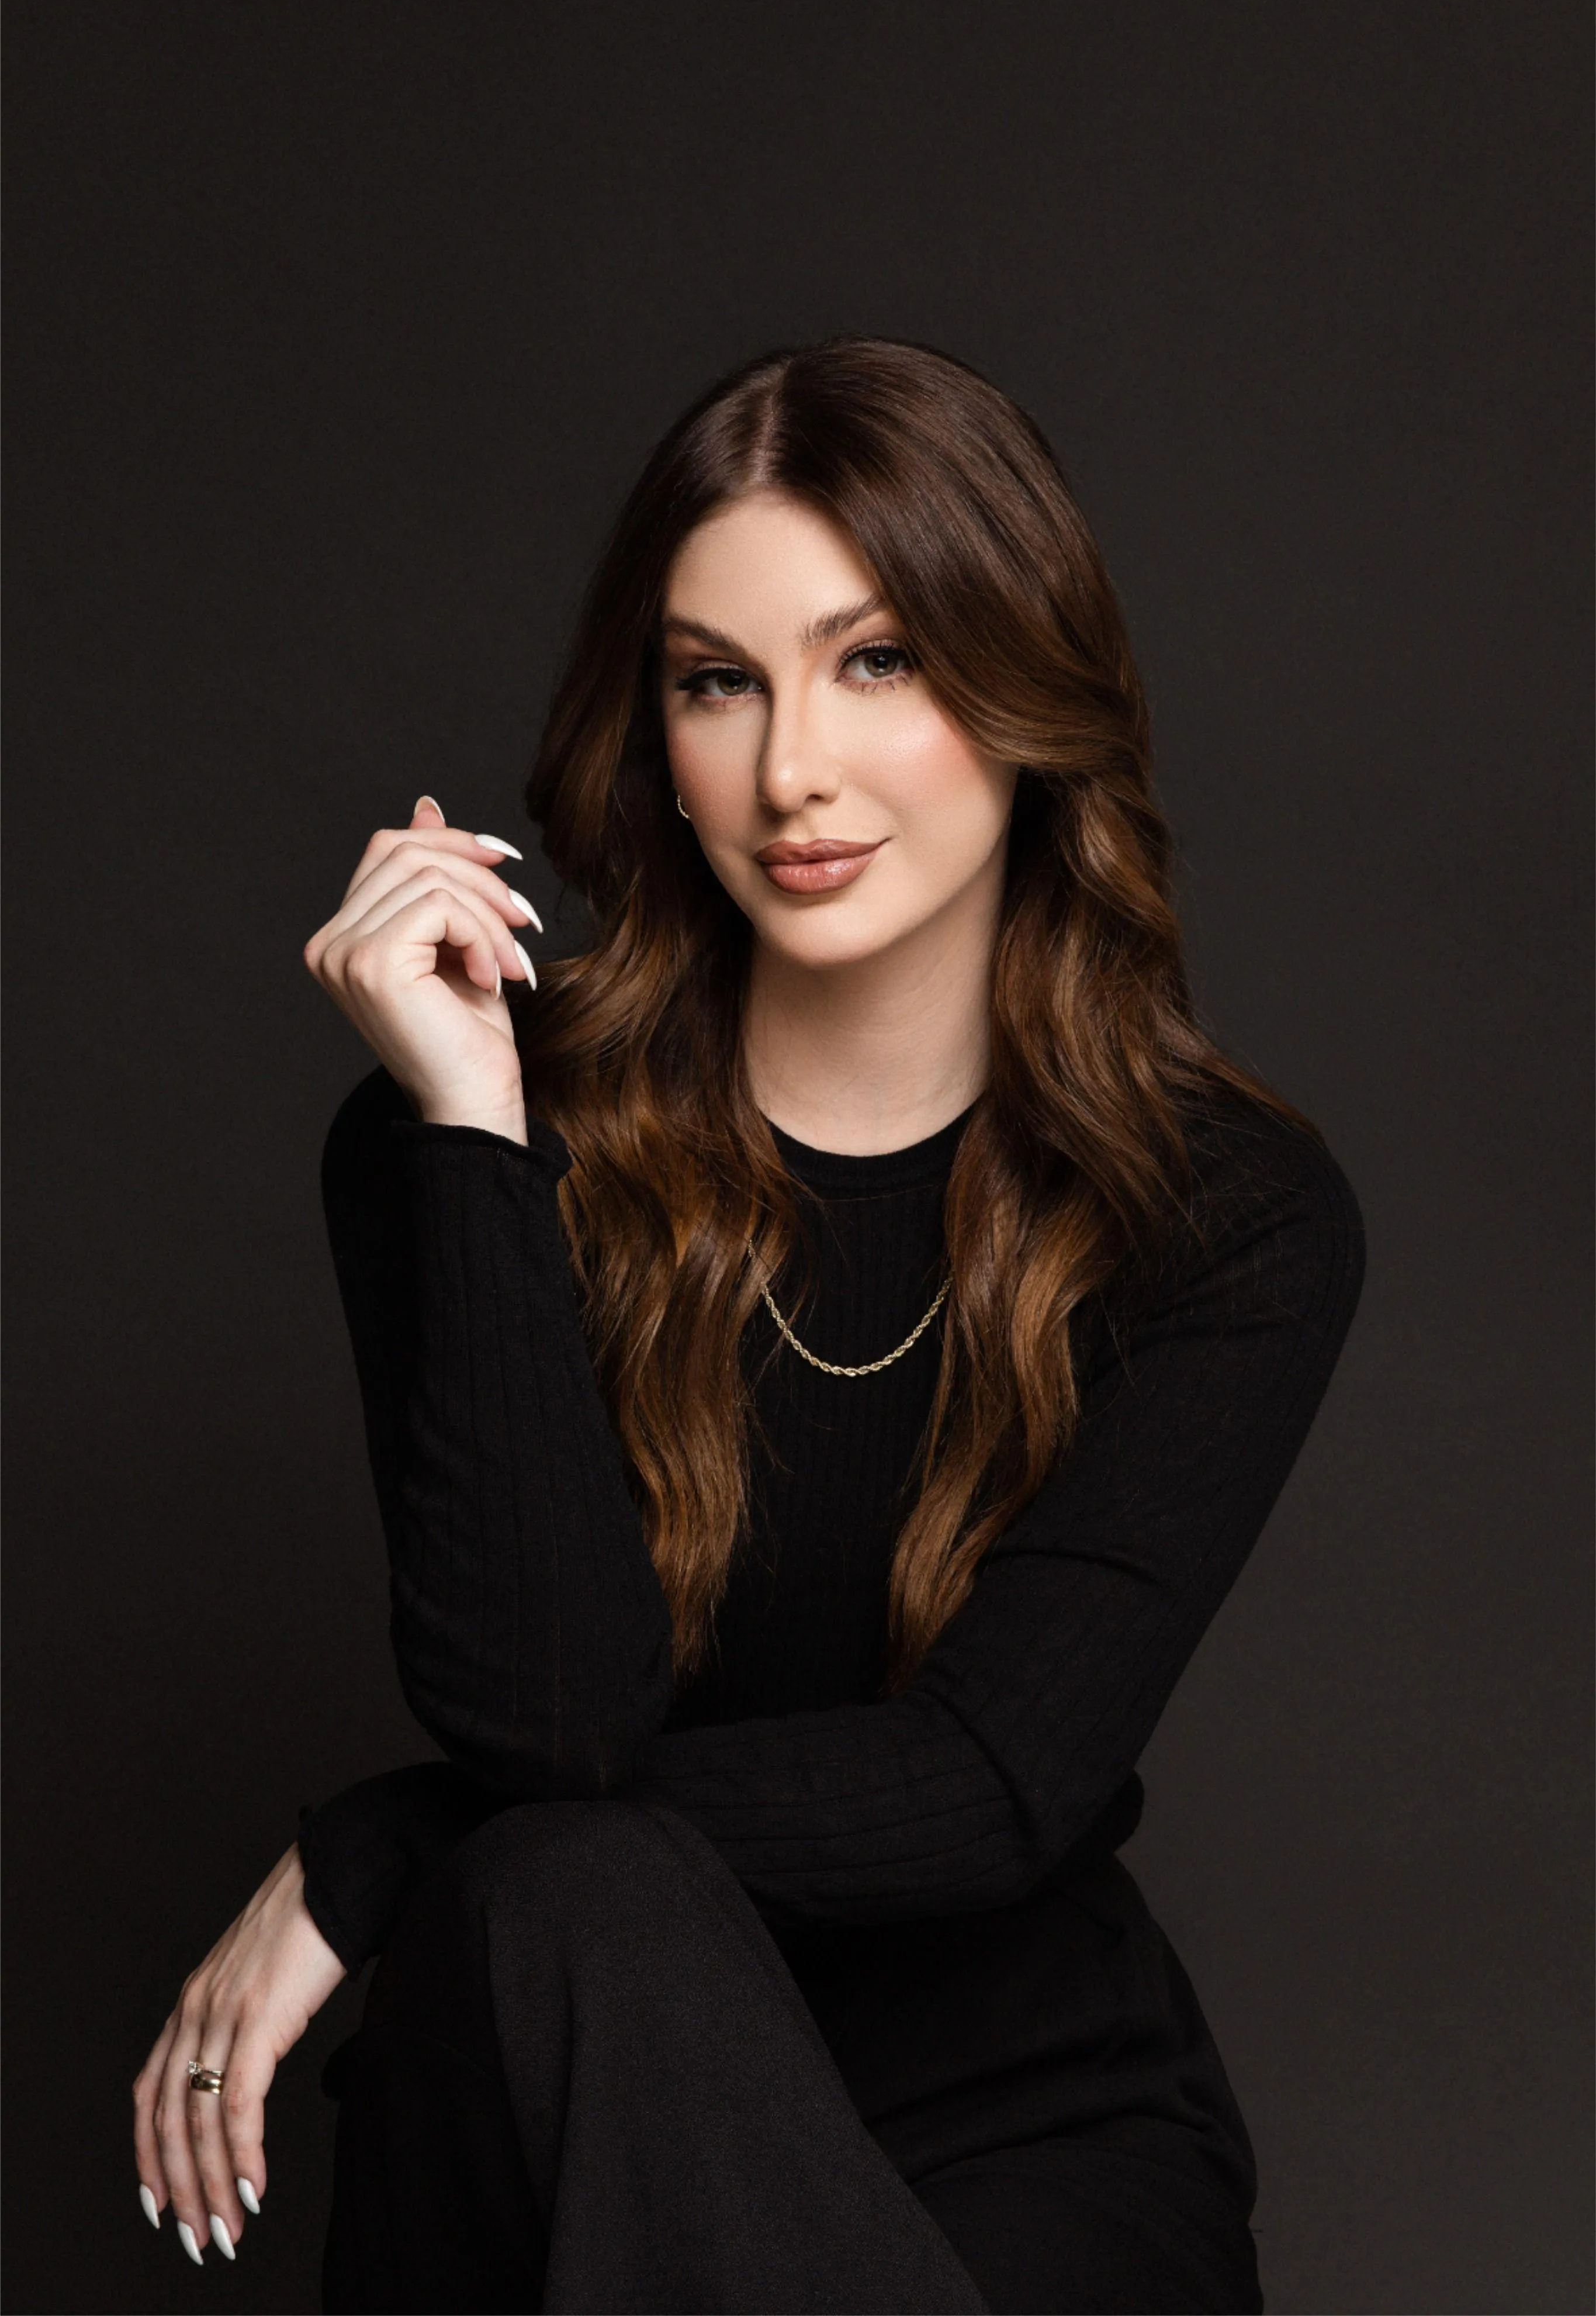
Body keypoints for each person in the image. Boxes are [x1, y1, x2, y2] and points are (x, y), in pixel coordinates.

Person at [131, 336, 1365, 2314]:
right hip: (546, 2080)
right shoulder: (465, 1152)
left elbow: (989, 1789)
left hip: (1020, 2131)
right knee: (569, 1884)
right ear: (656, 727)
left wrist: (389, 1849)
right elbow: (547, 1731)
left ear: (1027, 684)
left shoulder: (1219, 1216)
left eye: (878, 661)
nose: (792, 767)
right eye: (720, 680)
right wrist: (473, 1130)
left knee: (545, 1865)